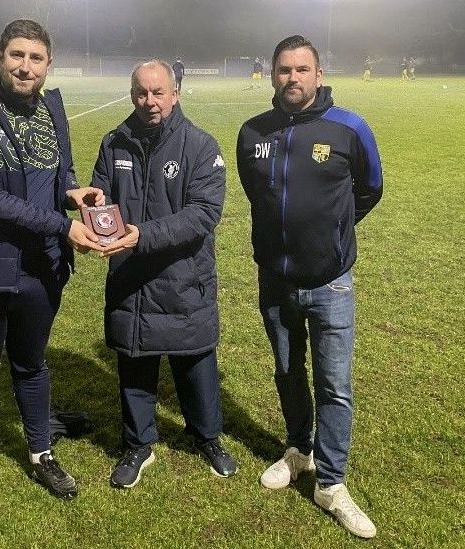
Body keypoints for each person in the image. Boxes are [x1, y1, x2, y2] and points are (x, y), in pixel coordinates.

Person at [0, 19, 105, 536]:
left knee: (32, 366)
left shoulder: (52, 106)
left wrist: (73, 194)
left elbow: (61, 172)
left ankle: (41, 454)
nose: (25, 66)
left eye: (35, 58)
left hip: (41, 268)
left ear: (48, 63)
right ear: (0, 56)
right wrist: (62, 223)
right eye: (16, 55)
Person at [236, 35, 382, 539]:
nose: (292, 79)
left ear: (318, 74)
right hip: (274, 281)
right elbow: (256, 193)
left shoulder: (349, 127)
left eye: (302, 70)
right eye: (283, 70)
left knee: (334, 387)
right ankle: (298, 451)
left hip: (331, 283)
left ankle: (331, 483)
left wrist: (334, 232)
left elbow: (371, 188)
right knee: (286, 371)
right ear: (272, 74)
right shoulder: (253, 131)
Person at [90, 60, 238, 489]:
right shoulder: (114, 142)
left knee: (195, 361)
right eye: (141, 93)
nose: (149, 102)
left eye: (158, 93)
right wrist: (97, 213)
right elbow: (102, 195)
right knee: (134, 361)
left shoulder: (200, 146)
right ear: (132, 93)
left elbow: (204, 214)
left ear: (175, 94)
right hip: (131, 279)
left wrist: (142, 235)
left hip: (182, 278)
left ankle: (207, 436)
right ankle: (138, 444)